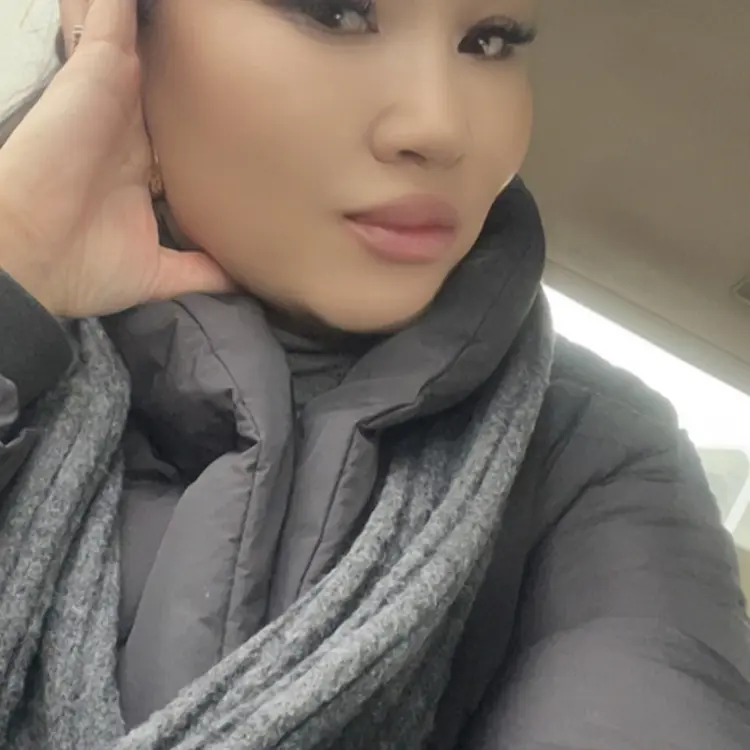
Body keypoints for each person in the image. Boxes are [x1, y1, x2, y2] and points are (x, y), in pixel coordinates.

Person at [0, 0, 748, 748]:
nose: (441, 126)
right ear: (106, 19)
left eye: (489, 40)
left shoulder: (597, 461)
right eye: (336, 13)